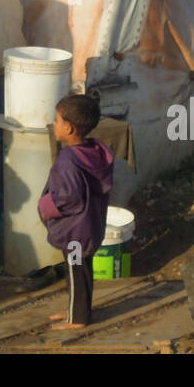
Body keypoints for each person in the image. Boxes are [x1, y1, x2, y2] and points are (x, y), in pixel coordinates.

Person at [38, 93, 114, 329]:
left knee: (75, 273)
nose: (54, 124)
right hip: (89, 225)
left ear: (69, 128)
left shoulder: (69, 159)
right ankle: (78, 309)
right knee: (82, 271)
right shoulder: (93, 152)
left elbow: (68, 197)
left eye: (57, 120)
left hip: (74, 231)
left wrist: (45, 207)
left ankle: (77, 318)